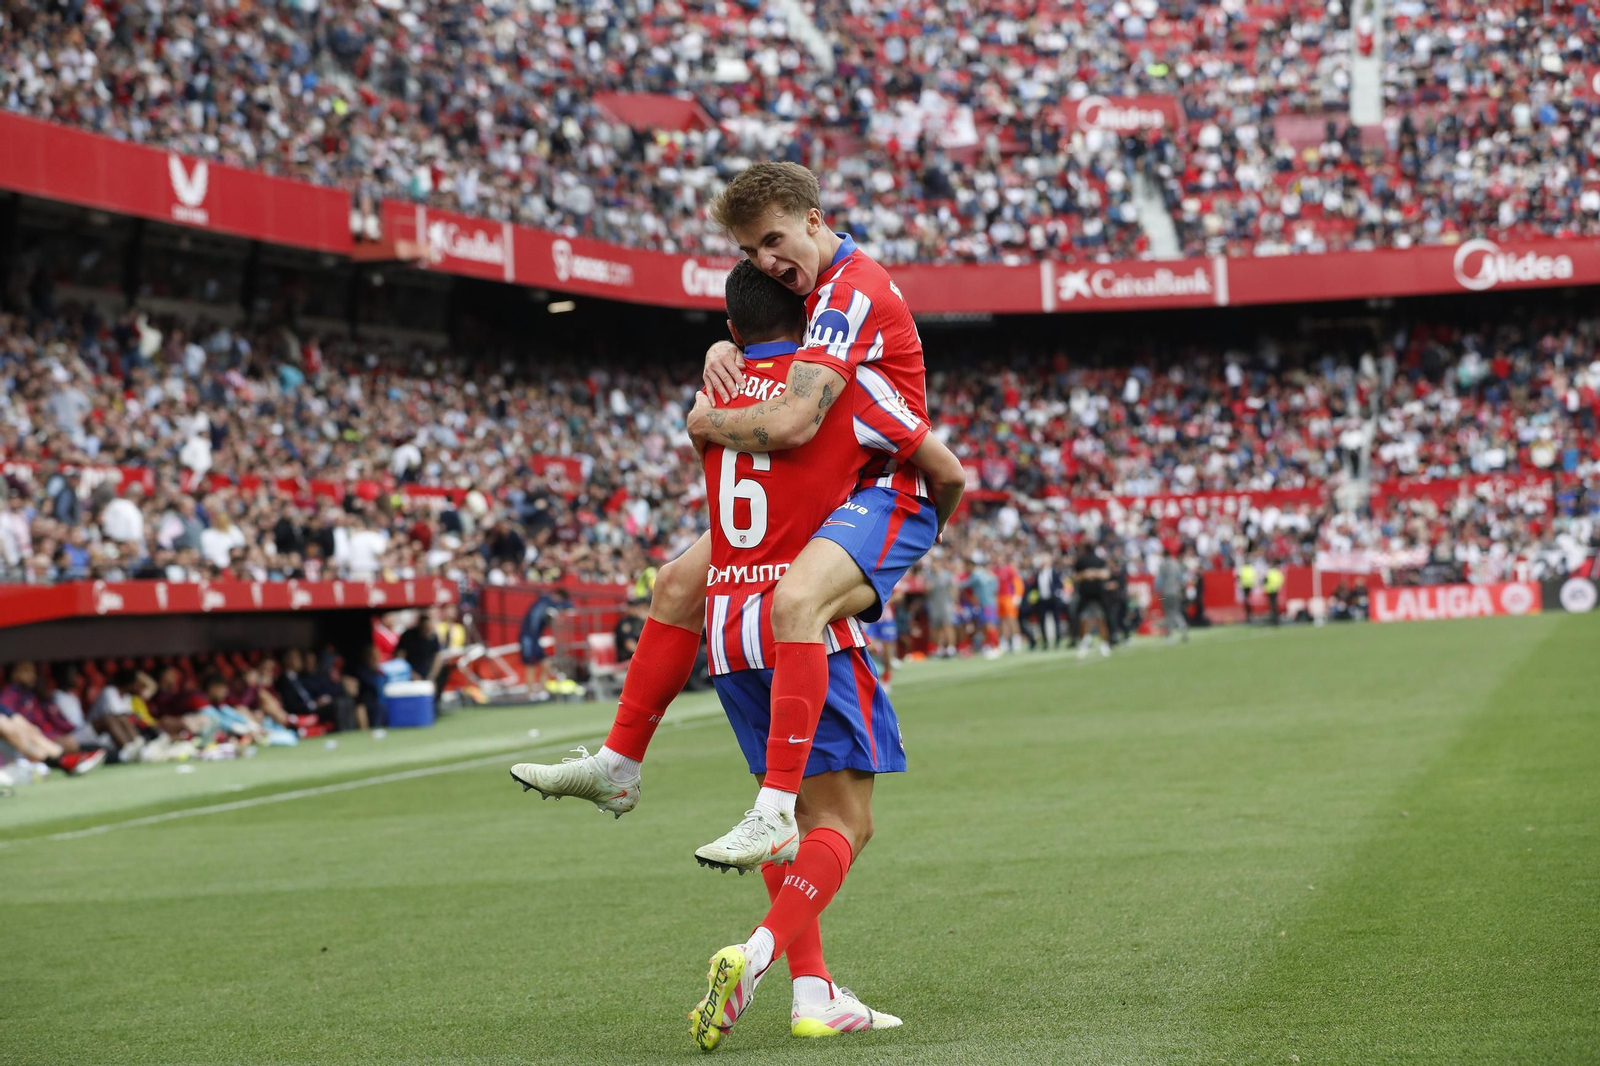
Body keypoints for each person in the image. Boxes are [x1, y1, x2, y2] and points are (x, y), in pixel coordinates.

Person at [514, 261, 960, 1046]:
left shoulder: (716, 392)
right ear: (819, 320)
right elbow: (939, 468)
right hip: (802, 631)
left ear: (731, 333)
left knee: (780, 811)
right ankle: (756, 955)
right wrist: (916, 529)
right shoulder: (837, 385)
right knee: (843, 824)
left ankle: (814, 991)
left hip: (727, 632)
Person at [515, 164, 963, 873]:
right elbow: (765, 336)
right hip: (831, 476)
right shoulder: (802, 283)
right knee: (675, 586)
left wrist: (707, 420)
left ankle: (776, 808)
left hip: (882, 484)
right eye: (752, 250)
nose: (765, 261)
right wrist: (727, 346)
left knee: (794, 604)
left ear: (815, 220)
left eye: (773, 241)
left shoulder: (849, 293)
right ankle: (618, 765)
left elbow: (790, 423)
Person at [519, 591, 569, 696]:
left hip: (535, 639)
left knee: (546, 664)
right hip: (528, 639)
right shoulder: (545, 603)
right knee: (530, 665)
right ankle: (530, 693)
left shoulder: (545, 604)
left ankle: (542, 691)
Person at [1073, 540, 1113, 658]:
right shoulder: (1082, 561)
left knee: (1099, 619)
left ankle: (1104, 645)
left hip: (1097, 594)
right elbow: (1075, 576)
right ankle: (1085, 644)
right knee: (1086, 619)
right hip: (1086, 594)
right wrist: (1085, 574)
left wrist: (1093, 573)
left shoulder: (1097, 560)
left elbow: (1106, 574)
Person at [924, 561, 959, 657]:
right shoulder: (929, 576)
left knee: (948, 625)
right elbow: (926, 592)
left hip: (946, 604)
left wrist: (954, 602)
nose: (933, 566)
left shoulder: (947, 574)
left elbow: (954, 588)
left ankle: (951, 647)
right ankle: (939, 648)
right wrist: (927, 589)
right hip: (934, 605)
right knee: (936, 627)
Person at [1156, 548, 1189, 644]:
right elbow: (1181, 578)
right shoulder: (1175, 563)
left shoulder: (1163, 564)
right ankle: (1183, 627)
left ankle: (1169, 636)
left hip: (1165, 592)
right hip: (1176, 592)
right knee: (1176, 611)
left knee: (1168, 613)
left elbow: (1159, 580)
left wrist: (1157, 591)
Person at [613, 597, 648, 663]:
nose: (635, 609)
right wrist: (645, 656)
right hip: (626, 659)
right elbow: (629, 644)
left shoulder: (640, 621)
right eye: (632, 607)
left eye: (636, 607)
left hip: (638, 658)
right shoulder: (625, 623)